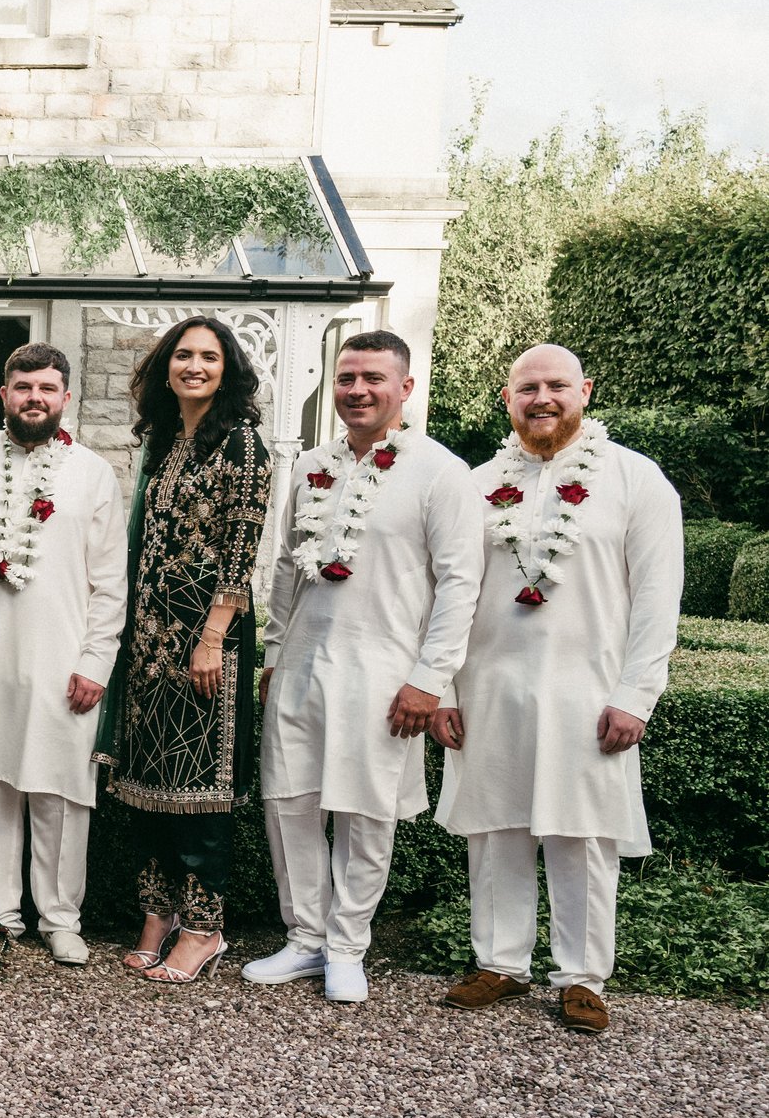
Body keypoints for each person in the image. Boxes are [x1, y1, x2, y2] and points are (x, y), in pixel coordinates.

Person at [432, 344, 682, 1035]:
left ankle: (582, 978)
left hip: (589, 689)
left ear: (585, 391)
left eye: (556, 386)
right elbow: (446, 593)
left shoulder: (635, 479)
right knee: (495, 829)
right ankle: (500, 963)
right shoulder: (477, 484)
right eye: (527, 388)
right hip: (489, 685)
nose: (542, 399)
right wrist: (445, 688)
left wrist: (636, 695)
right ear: (507, 399)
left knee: (583, 835)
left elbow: (658, 597)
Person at [247, 331, 481, 1004]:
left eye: (373, 378)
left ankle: (347, 948)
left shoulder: (439, 471)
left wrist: (429, 680)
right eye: (347, 377)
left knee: (364, 812)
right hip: (301, 663)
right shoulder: (311, 465)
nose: (357, 390)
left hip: (385, 672)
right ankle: (304, 938)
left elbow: (460, 584)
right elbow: (288, 566)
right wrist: (274, 651)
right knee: (289, 803)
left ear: (405, 387)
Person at [94, 316, 273, 985]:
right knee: (149, 789)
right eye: (183, 355)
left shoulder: (241, 443)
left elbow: (240, 552)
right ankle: (157, 914)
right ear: (166, 367)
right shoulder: (167, 442)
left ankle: (204, 928)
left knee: (200, 790)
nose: (194, 366)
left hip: (206, 640)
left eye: (209, 356)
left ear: (228, 371)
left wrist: (212, 639)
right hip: (149, 641)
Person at [0, 344, 127, 967]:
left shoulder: (92, 472)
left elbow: (111, 582)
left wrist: (96, 661)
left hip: (65, 657)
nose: (35, 398)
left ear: (65, 398)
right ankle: (1, 911)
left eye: (47, 388)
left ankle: (60, 918)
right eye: (24, 387)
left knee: (60, 790)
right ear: (4, 395)